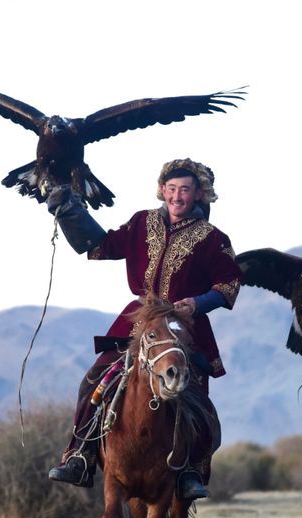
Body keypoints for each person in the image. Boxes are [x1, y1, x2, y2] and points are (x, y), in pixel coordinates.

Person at [43, 158, 241, 500]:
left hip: (183, 324)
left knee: (193, 394)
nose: (178, 196)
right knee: (94, 377)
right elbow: (101, 246)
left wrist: (197, 303)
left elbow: (230, 285)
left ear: (198, 195)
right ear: (163, 190)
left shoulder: (213, 239)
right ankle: (80, 455)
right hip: (138, 318)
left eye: (186, 190)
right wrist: (68, 210)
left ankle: (190, 471)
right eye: (172, 189)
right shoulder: (141, 223)